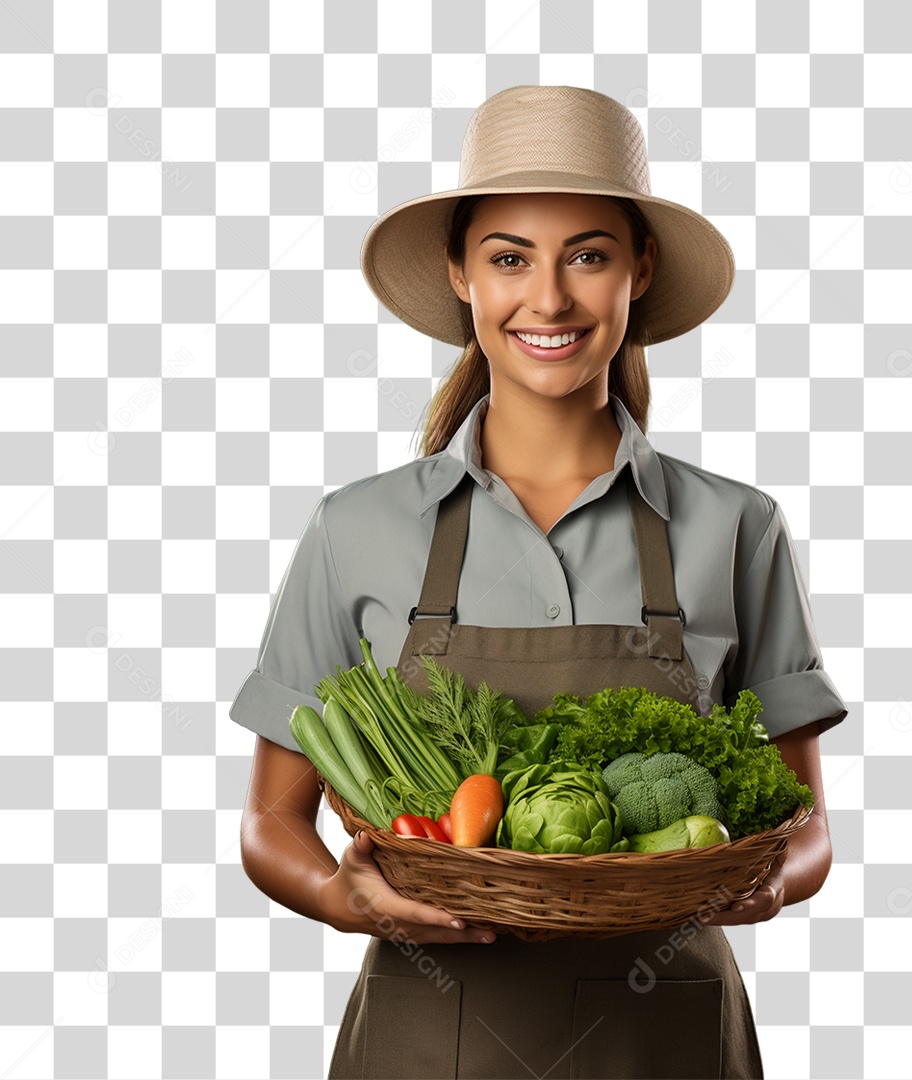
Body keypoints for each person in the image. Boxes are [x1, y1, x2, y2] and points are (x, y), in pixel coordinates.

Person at [230, 85, 848, 1080]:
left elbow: (807, 826)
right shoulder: (358, 528)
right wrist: (345, 900)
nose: (549, 299)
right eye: (509, 257)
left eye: (588, 255)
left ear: (638, 271)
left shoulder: (737, 527)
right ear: (460, 276)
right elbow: (269, 824)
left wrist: (769, 882)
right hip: (428, 1039)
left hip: (669, 1038)